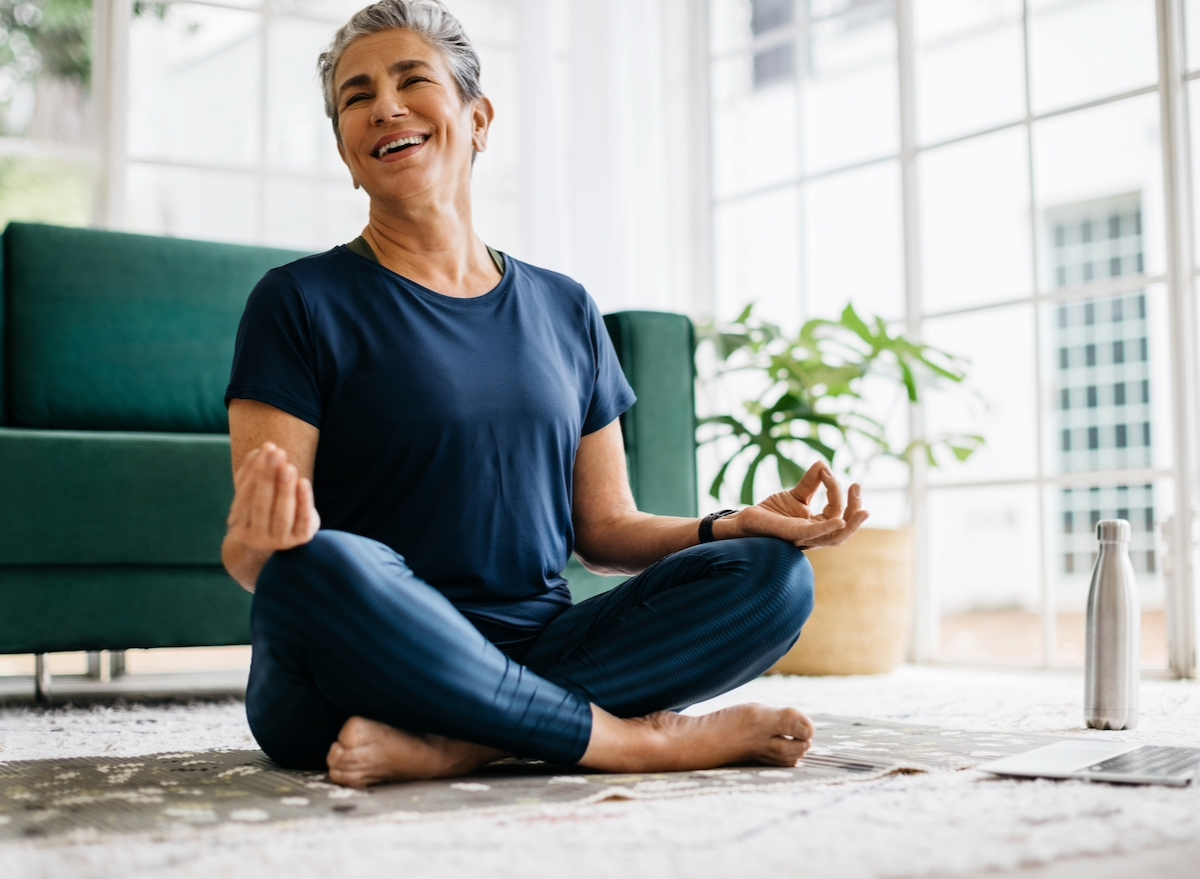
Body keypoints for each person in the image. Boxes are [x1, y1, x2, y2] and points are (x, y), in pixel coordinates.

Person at [222, 0, 869, 789]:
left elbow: (605, 529)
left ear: (479, 118)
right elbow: (260, 557)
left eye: (410, 79)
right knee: (316, 564)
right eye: (356, 98)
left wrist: (730, 523)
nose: (384, 105)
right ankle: (637, 743)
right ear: (348, 154)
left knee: (773, 577)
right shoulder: (296, 302)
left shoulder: (566, 308)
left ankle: (464, 745)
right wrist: (256, 549)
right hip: (357, 668)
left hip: (537, 645)